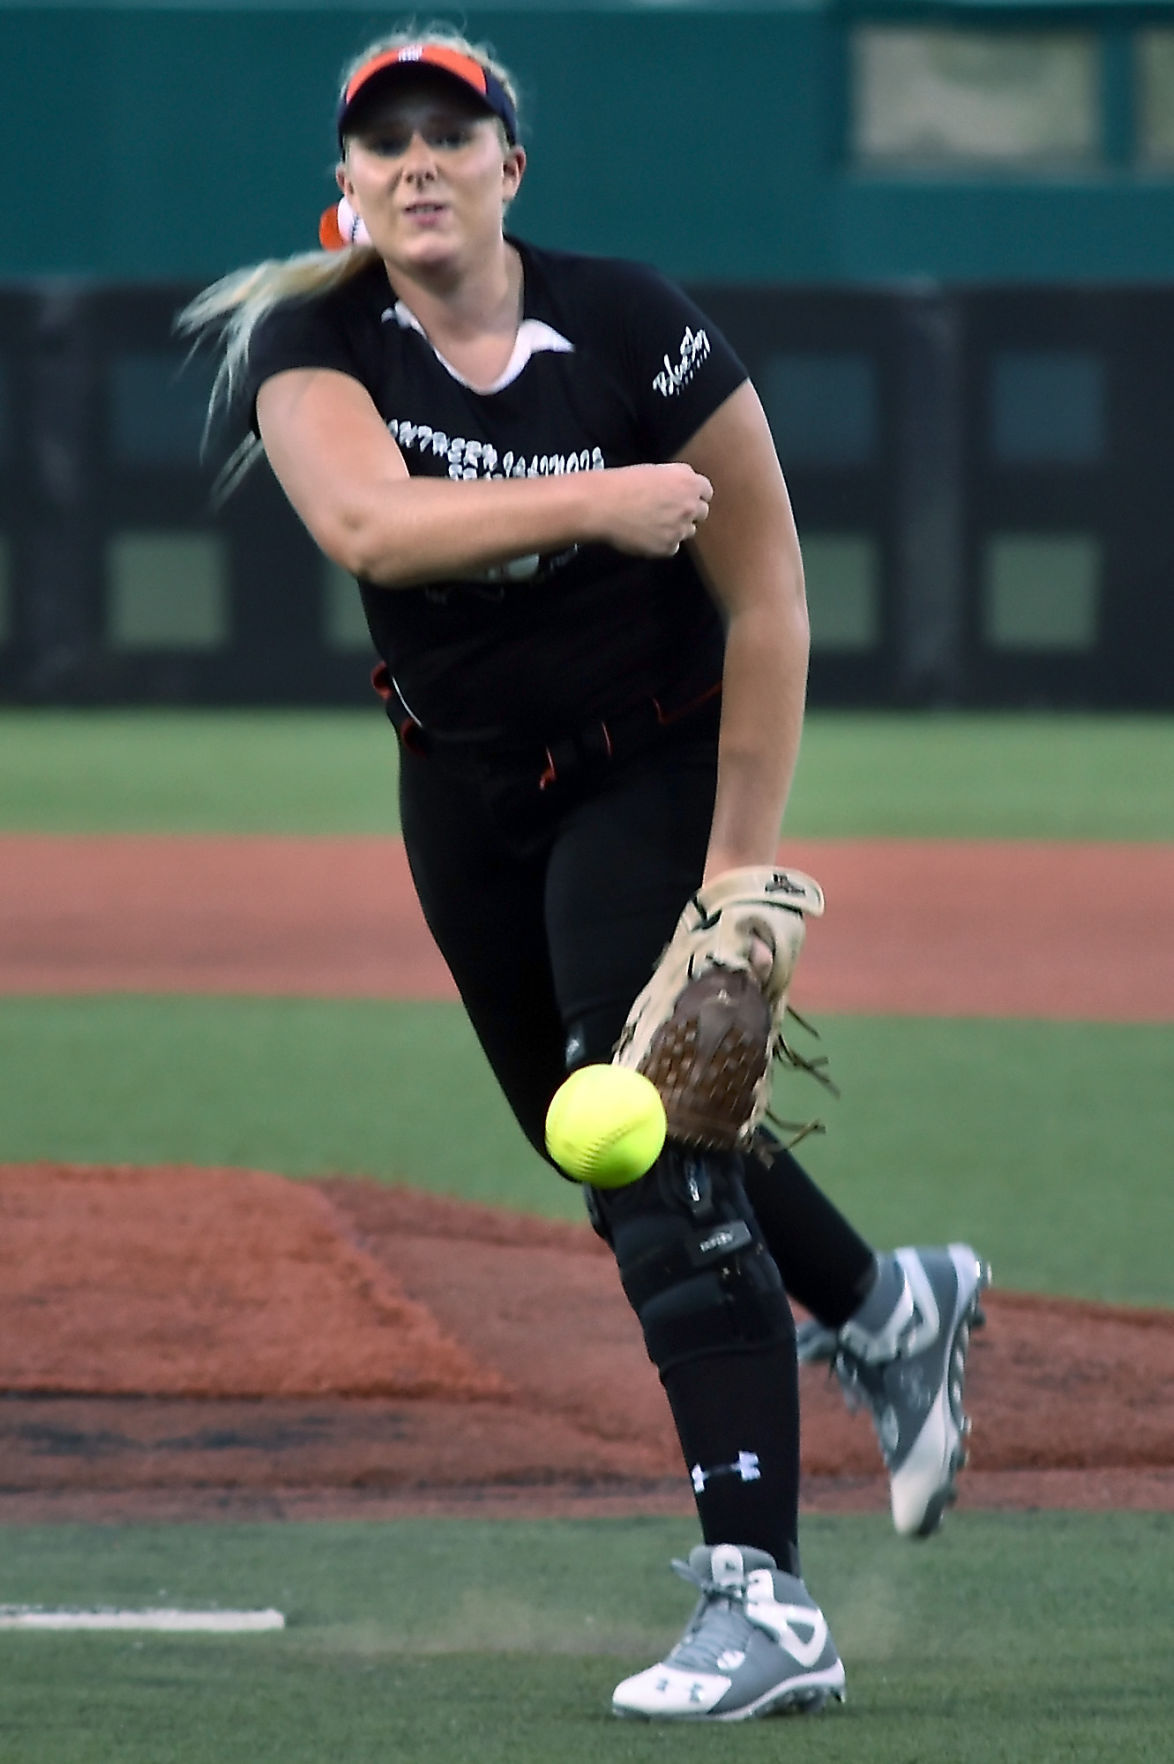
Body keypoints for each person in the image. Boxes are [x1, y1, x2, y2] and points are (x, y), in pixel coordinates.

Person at [180, 28, 989, 1722]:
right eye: (383, 140)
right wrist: (602, 494)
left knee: (657, 1164)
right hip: (464, 794)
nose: (417, 162)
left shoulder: (634, 323)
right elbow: (375, 532)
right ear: (346, 183)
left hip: (648, 764)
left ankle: (763, 1601)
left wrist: (734, 881)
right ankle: (880, 1307)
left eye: (450, 136)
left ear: (509, 170)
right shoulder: (310, 336)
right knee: (589, 1115)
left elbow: (768, 599)